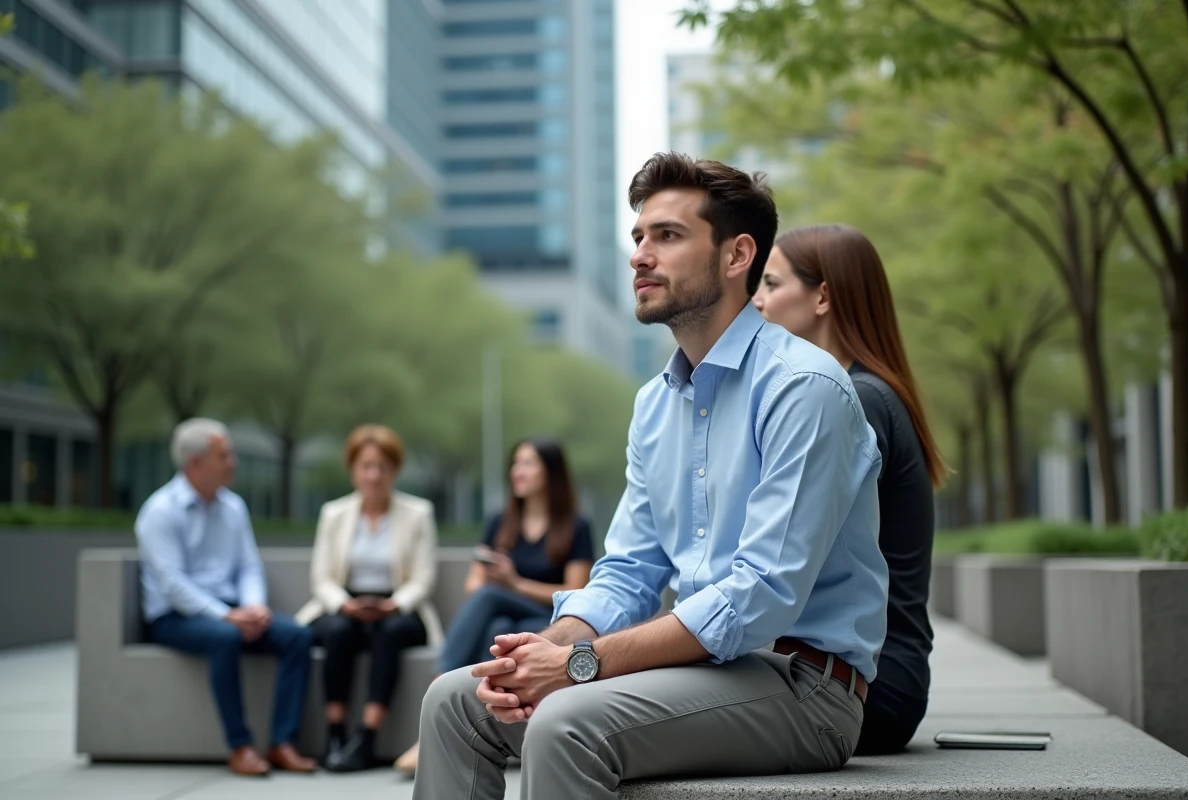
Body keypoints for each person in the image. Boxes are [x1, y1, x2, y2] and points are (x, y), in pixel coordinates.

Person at [412, 152, 889, 800]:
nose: (639, 255)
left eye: (667, 235)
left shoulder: (804, 387)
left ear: (736, 255)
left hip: (803, 686)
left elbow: (758, 596)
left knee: (564, 723)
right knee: (454, 700)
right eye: (638, 236)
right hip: (703, 673)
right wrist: (540, 654)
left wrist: (579, 665)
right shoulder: (655, 405)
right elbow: (629, 572)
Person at [752, 223, 948, 754]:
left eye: (772, 284)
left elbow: (784, 553)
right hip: (873, 674)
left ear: (822, 297)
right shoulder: (862, 392)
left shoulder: (856, 400)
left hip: (866, 688)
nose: (758, 300)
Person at [393, 436, 594, 776]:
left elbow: (576, 591)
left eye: (528, 463)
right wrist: (495, 578)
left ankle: (437, 701)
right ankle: (480, 732)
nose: (517, 471)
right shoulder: (501, 522)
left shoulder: (576, 525)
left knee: (490, 601)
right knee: (496, 627)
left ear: (551, 472)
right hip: (507, 616)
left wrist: (515, 583)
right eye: (515, 463)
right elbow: (473, 585)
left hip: (551, 621)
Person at [134, 418, 317, 777]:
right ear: (195, 462)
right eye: (224, 455)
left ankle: (282, 743)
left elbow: (248, 566)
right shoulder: (160, 511)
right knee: (225, 637)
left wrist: (253, 606)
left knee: (298, 636)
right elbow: (172, 584)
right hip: (175, 617)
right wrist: (225, 616)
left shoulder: (233, 507)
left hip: (232, 612)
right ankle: (240, 747)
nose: (233, 462)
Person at [294, 424, 443, 772]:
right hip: (344, 605)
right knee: (338, 630)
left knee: (389, 632)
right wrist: (344, 604)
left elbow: (423, 579)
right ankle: (335, 734)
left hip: (399, 607)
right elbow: (322, 578)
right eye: (366, 466)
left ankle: (367, 736)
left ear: (394, 470)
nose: (374, 475)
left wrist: (394, 605)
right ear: (353, 470)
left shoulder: (418, 513)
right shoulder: (334, 514)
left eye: (382, 467)